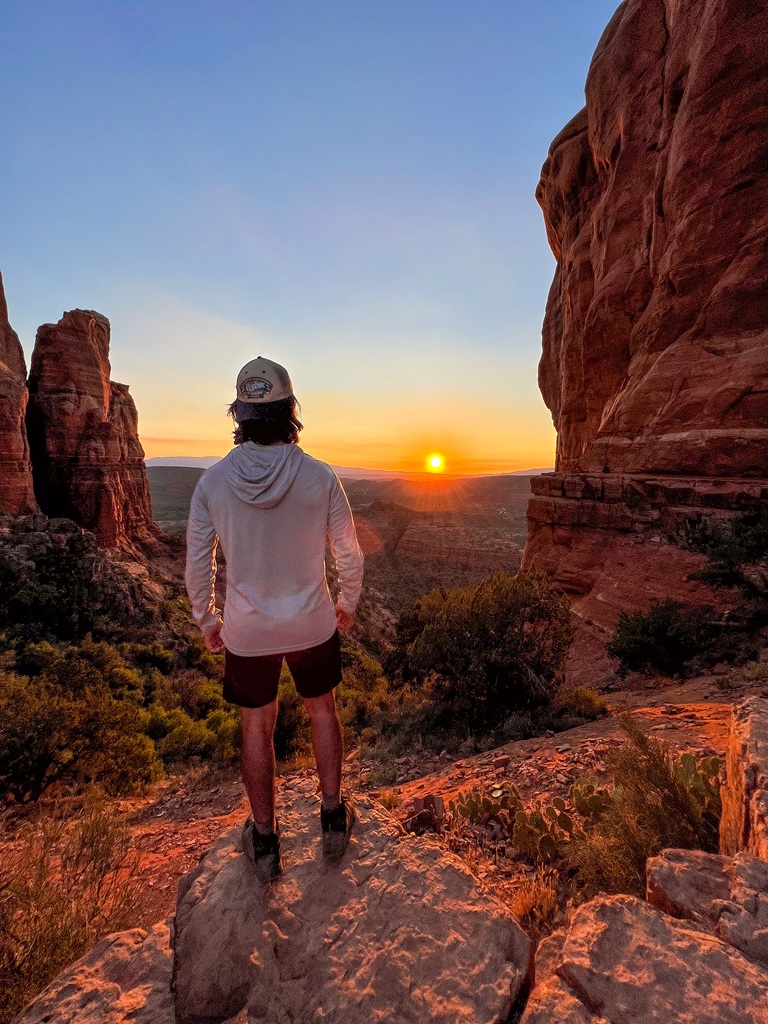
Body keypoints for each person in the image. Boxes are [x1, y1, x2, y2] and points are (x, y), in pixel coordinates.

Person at [185, 357, 364, 881]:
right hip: (312, 622)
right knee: (322, 712)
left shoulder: (213, 483)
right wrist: (347, 602)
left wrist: (207, 620)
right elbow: (349, 552)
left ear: (240, 414)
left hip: (247, 630)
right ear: (290, 411)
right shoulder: (320, 476)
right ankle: (332, 818)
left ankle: (265, 840)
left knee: (255, 727)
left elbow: (198, 561)